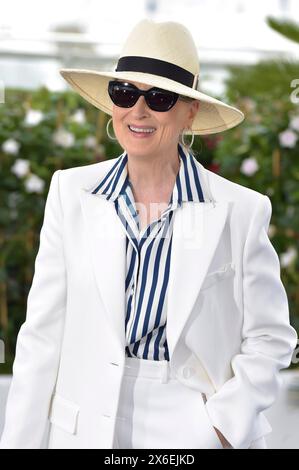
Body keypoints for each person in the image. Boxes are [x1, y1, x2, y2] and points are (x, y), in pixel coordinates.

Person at [0, 18, 297, 450]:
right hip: (83, 428)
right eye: (125, 93)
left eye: (158, 98)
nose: (138, 111)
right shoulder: (70, 193)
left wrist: (220, 428)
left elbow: (272, 337)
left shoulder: (241, 211)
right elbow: (42, 337)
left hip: (191, 428)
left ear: (190, 110)